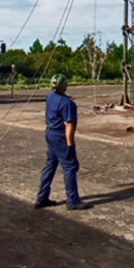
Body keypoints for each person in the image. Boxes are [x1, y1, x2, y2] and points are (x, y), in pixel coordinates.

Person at [34, 73, 90, 210]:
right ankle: (72, 201)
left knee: (50, 166)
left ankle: (42, 197)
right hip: (60, 137)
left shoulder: (50, 96)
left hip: (50, 133)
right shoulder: (67, 103)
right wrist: (70, 145)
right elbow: (69, 126)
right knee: (70, 166)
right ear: (64, 85)